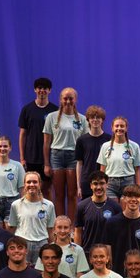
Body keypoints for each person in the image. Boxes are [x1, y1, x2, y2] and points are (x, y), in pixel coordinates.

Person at [42, 86, 86, 219]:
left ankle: (72, 227)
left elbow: (85, 143)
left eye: (70, 98)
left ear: (75, 100)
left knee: (72, 194)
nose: (68, 101)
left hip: (74, 156)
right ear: (61, 100)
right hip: (57, 156)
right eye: (65, 98)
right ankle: (60, 223)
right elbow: (46, 143)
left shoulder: (82, 119)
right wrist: (46, 164)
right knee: (59, 194)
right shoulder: (52, 117)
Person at [106, 185, 140, 278]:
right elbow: (108, 251)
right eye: (130, 196)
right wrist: (109, 275)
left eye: (137, 196)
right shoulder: (112, 222)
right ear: (124, 199)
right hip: (118, 276)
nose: (133, 199)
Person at [18, 77, 58, 192]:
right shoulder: (27, 109)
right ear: (35, 90)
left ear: (49, 90)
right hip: (31, 156)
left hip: (49, 157)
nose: (42, 91)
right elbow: (22, 134)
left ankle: (47, 210)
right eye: (39, 88)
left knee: (46, 189)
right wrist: (22, 158)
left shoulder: (55, 111)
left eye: (45, 88)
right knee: (30, 188)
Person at [7, 171, 56, 266]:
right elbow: (11, 229)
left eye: (35, 182)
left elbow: (51, 230)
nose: (31, 184)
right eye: (28, 182)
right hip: (22, 244)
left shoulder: (49, 205)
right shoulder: (16, 205)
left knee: (40, 276)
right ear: (24, 184)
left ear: (40, 184)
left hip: (42, 244)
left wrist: (51, 248)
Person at [75, 171, 122, 256]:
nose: (99, 187)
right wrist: (78, 254)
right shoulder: (82, 206)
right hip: (87, 254)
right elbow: (78, 232)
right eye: (95, 184)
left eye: (102, 183)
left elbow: (119, 234)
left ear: (107, 185)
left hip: (108, 255)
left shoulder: (116, 207)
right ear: (91, 186)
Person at [98, 115, 140, 200]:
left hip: (128, 183)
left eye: (122, 126)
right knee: (113, 210)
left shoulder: (134, 146)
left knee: (126, 211)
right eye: (117, 126)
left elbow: (137, 169)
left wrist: (138, 188)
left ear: (126, 128)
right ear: (112, 128)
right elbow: (102, 168)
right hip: (110, 184)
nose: (119, 128)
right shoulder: (105, 146)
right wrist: (102, 184)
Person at [75, 105, 112, 201]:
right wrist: (78, 186)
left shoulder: (109, 139)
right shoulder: (81, 140)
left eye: (98, 117)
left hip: (104, 180)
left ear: (102, 120)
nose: (95, 120)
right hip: (87, 181)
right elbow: (79, 164)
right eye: (92, 117)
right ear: (88, 120)